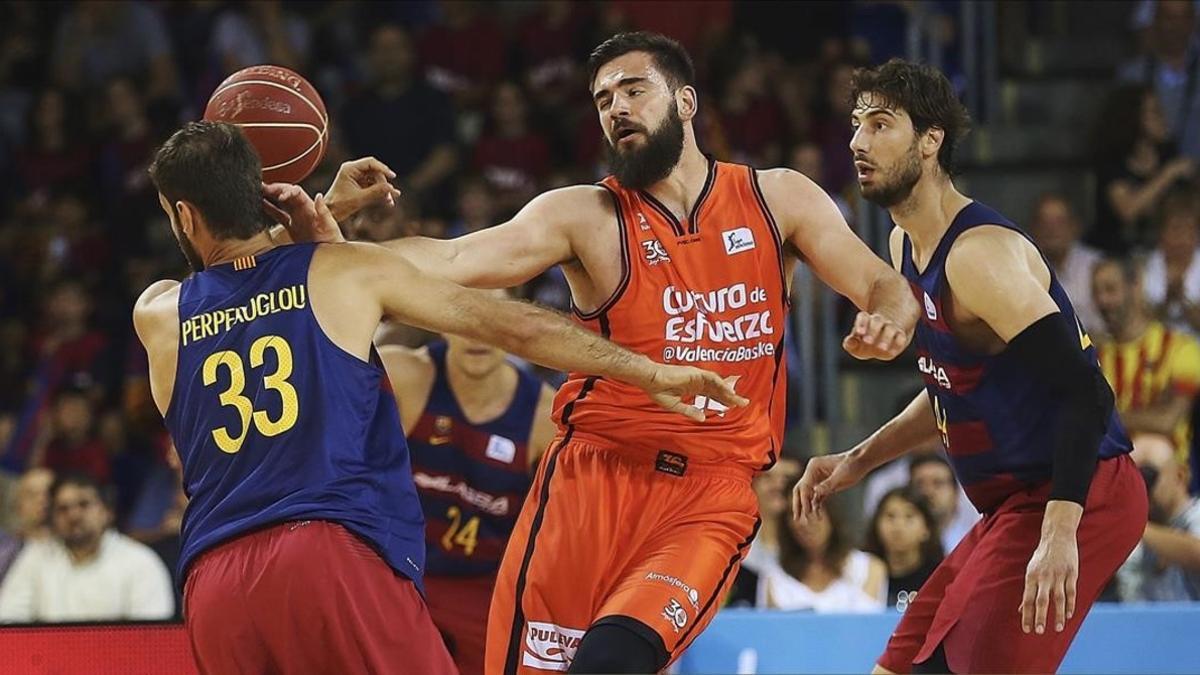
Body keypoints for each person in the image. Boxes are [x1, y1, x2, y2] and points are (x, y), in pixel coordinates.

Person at [297, 31, 917, 674]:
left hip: (711, 497)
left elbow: (880, 280)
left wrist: (890, 319)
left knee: (613, 662)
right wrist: (334, 249)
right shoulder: (586, 215)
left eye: (633, 89)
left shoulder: (777, 197)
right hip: (594, 482)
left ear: (685, 102)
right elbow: (452, 258)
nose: (616, 107)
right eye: (602, 100)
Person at [132, 121, 743, 674]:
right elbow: (513, 327)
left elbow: (238, 282)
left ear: (184, 217)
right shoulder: (340, 270)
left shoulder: (157, 311)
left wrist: (312, 219)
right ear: (259, 193)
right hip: (327, 553)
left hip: (213, 582)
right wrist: (644, 371)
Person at [796, 59, 1148, 674]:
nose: (857, 142)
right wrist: (855, 461)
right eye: (856, 125)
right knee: (895, 668)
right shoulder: (904, 244)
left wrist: (1062, 530)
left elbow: (1088, 394)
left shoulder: (980, 257)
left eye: (880, 125)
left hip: (1078, 494)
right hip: (1013, 506)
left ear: (931, 140)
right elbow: (948, 391)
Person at [379, 328, 556, 675]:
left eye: (491, 317)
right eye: (468, 316)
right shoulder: (406, 373)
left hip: (485, 589)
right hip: (402, 573)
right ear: (444, 320)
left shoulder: (545, 415)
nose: (479, 334)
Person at [0, 472, 174, 622]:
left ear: (107, 512)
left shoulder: (140, 561)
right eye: (63, 508)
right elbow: (8, 619)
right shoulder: (36, 558)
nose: (74, 515)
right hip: (51, 658)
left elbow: (151, 636)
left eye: (84, 504)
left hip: (120, 658)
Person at [1093, 257, 1200, 464]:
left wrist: (1109, 417)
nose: (1102, 301)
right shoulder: (1095, 355)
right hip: (1108, 470)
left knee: (1154, 448)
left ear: (1136, 286)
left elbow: (1168, 420)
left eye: (1110, 289)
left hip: (1168, 476)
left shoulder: (1180, 348)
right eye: (1096, 292)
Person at [1089, 84, 1194, 253]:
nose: (1162, 117)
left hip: (1163, 254)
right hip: (1118, 253)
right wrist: (1168, 174)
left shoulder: (1168, 152)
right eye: (1154, 112)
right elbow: (1128, 210)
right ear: (1133, 118)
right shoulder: (1111, 162)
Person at [757, 497, 887, 613]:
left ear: (831, 513)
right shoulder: (774, 577)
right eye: (794, 512)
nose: (803, 521)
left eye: (812, 509)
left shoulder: (869, 568)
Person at [1117, 435, 1200, 601]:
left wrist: (1136, 526)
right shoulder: (1123, 528)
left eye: (1149, 476)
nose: (1142, 487)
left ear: (1180, 475)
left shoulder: (1195, 513)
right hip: (1140, 623)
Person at [1027, 192, 1104, 337]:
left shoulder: (1096, 266)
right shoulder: (1022, 270)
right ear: (1033, 227)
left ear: (1075, 226)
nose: (1051, 230)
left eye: (1059, 222)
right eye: (1044, 223)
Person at [863, 487, 945, 611]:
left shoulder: (939, 575)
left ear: (927, 529)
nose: (898, 526)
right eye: (890, 516)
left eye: (909, 517)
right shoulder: (862, 569)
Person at [1142, 187, 1200, 335]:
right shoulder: (1145, 266)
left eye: (1189, 229)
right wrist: (1168, 300)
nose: (1182, 237)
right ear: (1161, 233)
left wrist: (1181, 299)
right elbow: (1141, 324)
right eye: (1175, 229)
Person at [909, 454, 978, 552]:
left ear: (955, 492)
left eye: (938, 483)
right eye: (920, 484)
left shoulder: (974, 538)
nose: (928, 492)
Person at [0, 467, 53, 582]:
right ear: (18, 506)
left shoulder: (76, 548)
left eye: (48, 493)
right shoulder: (4, 549)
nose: (42, 500)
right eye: (32, 495)